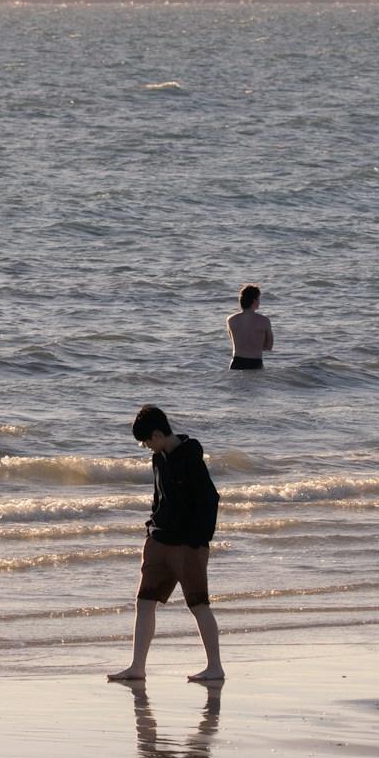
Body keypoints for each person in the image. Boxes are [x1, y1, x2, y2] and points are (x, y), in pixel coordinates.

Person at [108, 405, 224, 682]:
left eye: (148, 440)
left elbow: (210, 500)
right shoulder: (158, 458)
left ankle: (215, 667)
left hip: (189, 545)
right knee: (144, 602)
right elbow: (158, 497)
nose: (146, 446)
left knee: (198, 605)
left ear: (159, 433)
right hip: (159, 540)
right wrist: (152, 527)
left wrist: (199, 540)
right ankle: (137, 667)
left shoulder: (190, 458)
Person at [226, 284, 273, 370]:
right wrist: (255, 346)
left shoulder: (231, 320)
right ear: (254, 301)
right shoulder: (264, 320)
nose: (260, 302)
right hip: (255, 363)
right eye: (259, 299)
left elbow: (234, 341)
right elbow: (269, 346)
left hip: (236, 363)